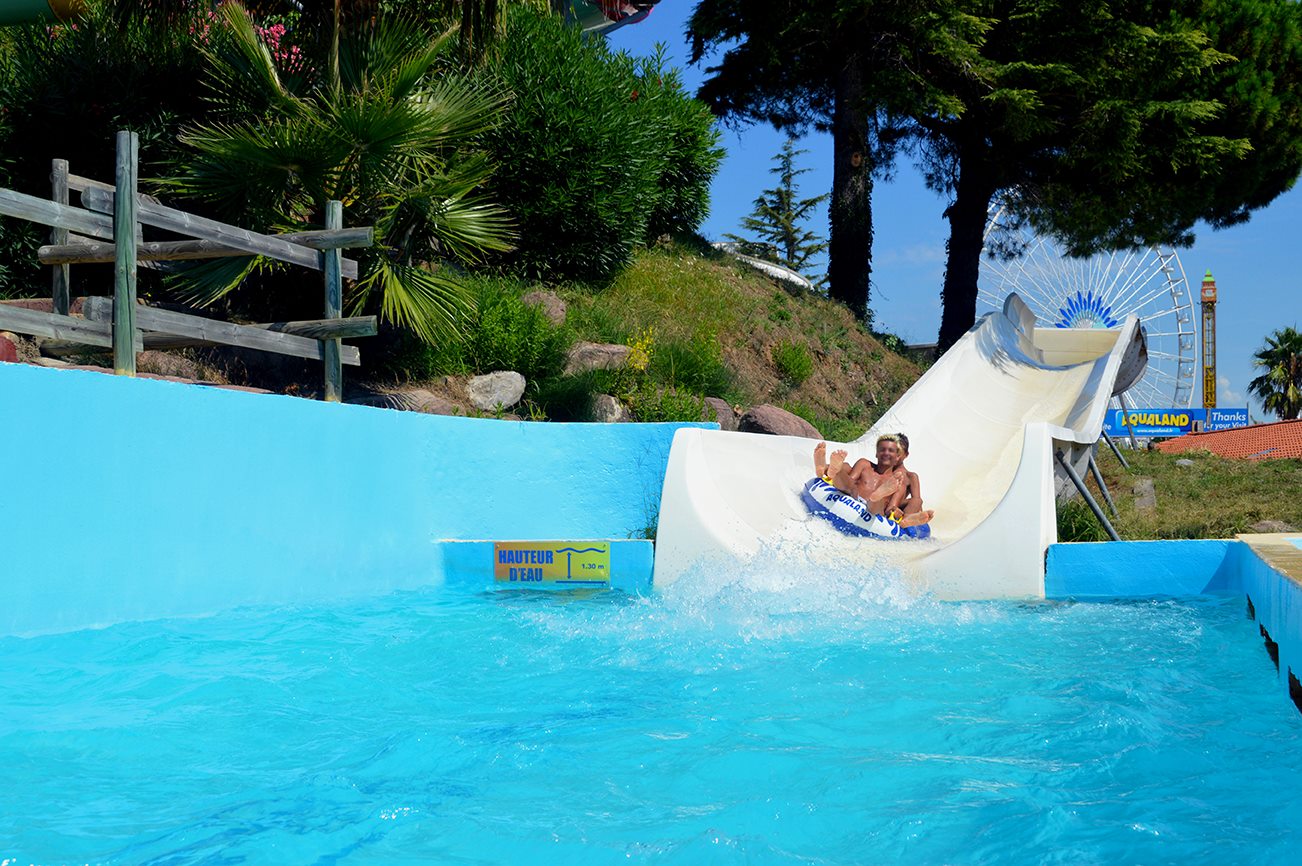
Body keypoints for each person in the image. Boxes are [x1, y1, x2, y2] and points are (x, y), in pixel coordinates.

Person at [812, 437, 906, 514]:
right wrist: (841, 476)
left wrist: (895, 511)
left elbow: (891, 508)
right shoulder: (864, 464)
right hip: (853, 497)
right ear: (876, 453)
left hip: (874, 511)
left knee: (876, 504)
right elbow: (849, 483)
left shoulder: (897, 481)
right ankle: (835, 471)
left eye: (891, 450)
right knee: (852, 488)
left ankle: (878, 495)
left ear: (897, 457)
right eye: (882, 449)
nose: (886, 453)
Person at [879, 433, 934, 528]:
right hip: (880, 503)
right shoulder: (882, 469)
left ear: (906, 454)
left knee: (917, 501)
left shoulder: (910, 476)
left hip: (898, 510)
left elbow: (916, 502)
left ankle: (906, 520)